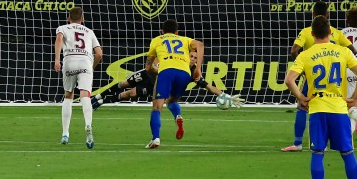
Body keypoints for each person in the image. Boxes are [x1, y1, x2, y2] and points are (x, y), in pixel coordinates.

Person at [284, 15, 357, 179]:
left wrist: (301, 97)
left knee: (317, 153)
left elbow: (289, 80)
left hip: (318, 110)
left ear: (312, 34)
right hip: (339, 109)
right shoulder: (342, 51)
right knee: (347, 152)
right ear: (330, 32)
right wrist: (354, 98)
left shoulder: (306, 55)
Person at [282, 1, 356, 152]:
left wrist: (303, 70)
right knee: (335, 108)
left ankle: (298, 143)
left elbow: (294, 50)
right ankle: (329, 143)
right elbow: (353, 50)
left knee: (302, 106)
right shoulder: (336, 33)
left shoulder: (306, 31)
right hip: (335, 79)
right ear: (328, 15)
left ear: (313, 14)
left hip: (315, 77)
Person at [91, 50, 244, 108]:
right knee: (124, 83)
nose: (192, 59)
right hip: (147, 74)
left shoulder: (193, 73)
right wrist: (156, 67)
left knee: (128, 94)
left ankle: (101, 102)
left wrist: (225, 95)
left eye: (195, 58)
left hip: (155, 85)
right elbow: (156, 61)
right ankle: (98, 96)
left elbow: (207, 85)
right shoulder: (176, 58)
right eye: (191, 56)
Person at [144, 19, 204, 149]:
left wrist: (156, 69)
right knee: (171, 100)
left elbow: (147, 67)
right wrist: (198, 68)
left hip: (166, 72)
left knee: (157, 107)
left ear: (162, 31)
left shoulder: (156, 40)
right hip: (184, 73)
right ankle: (177, 115)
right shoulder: (185, 40)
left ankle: (155, 138)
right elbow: (200, 44)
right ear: (177, 32)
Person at [54, 6, 102, 149]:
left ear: (68, 18)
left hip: (69, 61)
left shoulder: (63, 28)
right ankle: (88, 125)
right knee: (85, 95)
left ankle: (65, 133)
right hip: (85, 62)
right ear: (83, 19)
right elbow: (99, 53)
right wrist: (91, 68)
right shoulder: (89, 31)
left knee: (68, 96)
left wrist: (57, 60)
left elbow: (59, 38)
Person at [342, 8, 357, 137]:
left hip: (348, 69)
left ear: (348, 20)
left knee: (350, 102)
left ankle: (349, 132)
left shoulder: (341, 33)